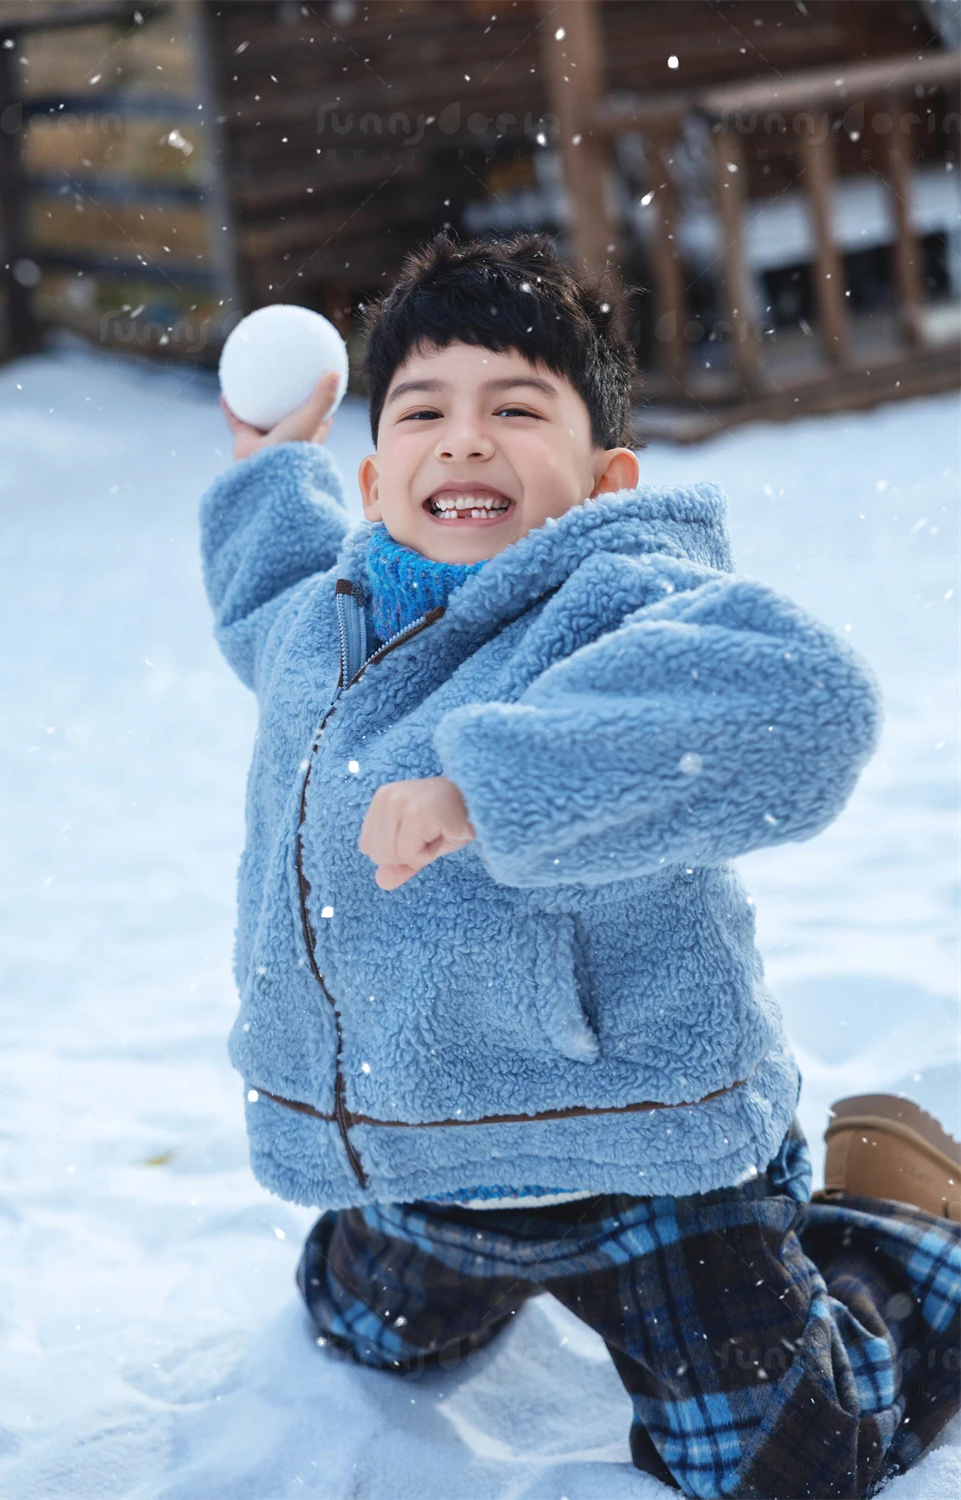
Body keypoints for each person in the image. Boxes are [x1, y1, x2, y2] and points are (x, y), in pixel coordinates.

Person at [200, 233, 960, 1497]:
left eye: (514, 406)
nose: (463, 438)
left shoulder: (619, 595)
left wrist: (490, 788)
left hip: (645, 1156)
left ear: (604, 478)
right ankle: (444, 1263)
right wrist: (265, 461)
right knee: (360, 1331)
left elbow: (803, 704)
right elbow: (265, 580)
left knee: (780, 1463)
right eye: (426, 411)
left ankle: (896, 1232)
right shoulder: (323, 622)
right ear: (378, 475)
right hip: (414, 1149)